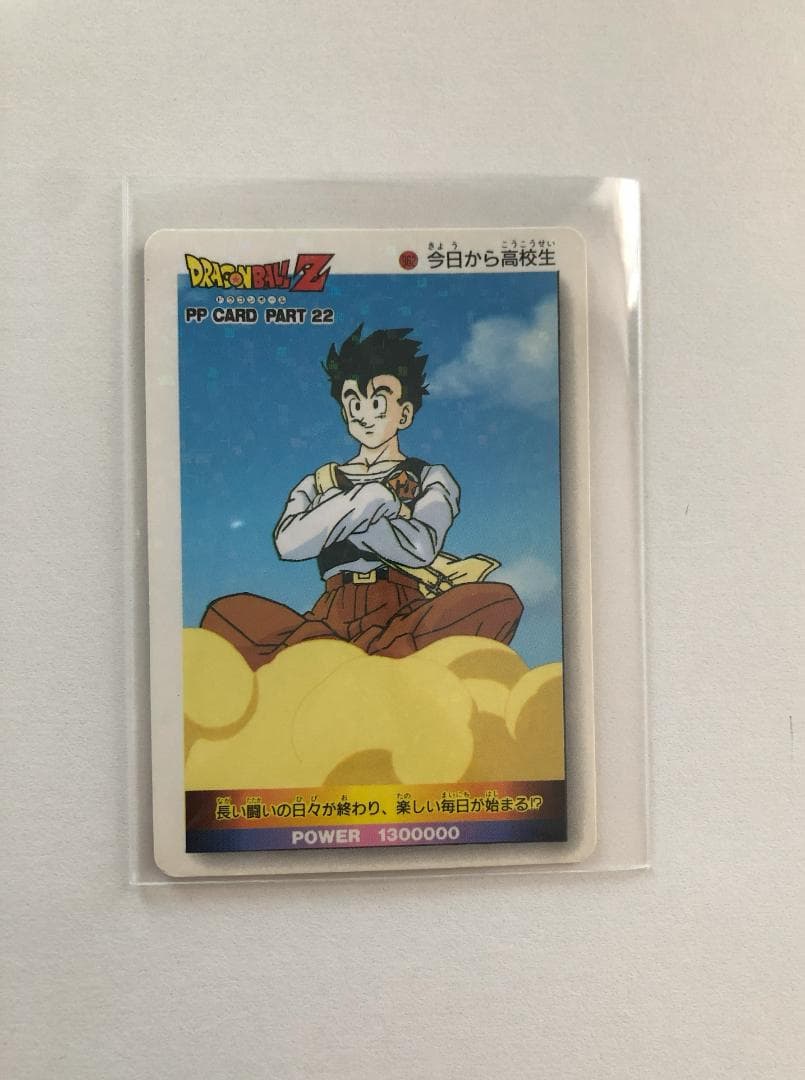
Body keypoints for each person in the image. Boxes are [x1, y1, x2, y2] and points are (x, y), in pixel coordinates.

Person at [201, 325, 522, 669]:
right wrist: (369, 500)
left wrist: (337, 520)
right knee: (227, 612)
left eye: (378, 402)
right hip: (329, 612)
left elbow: (420, 548)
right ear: (344, 411)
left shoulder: (430, 476)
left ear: (404, 413)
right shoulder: (319, 481)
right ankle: (350, 657)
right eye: (354, 402)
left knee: (499, 602)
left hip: (403, 608)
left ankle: (345, 660)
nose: (364, 415)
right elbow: (288, 544)